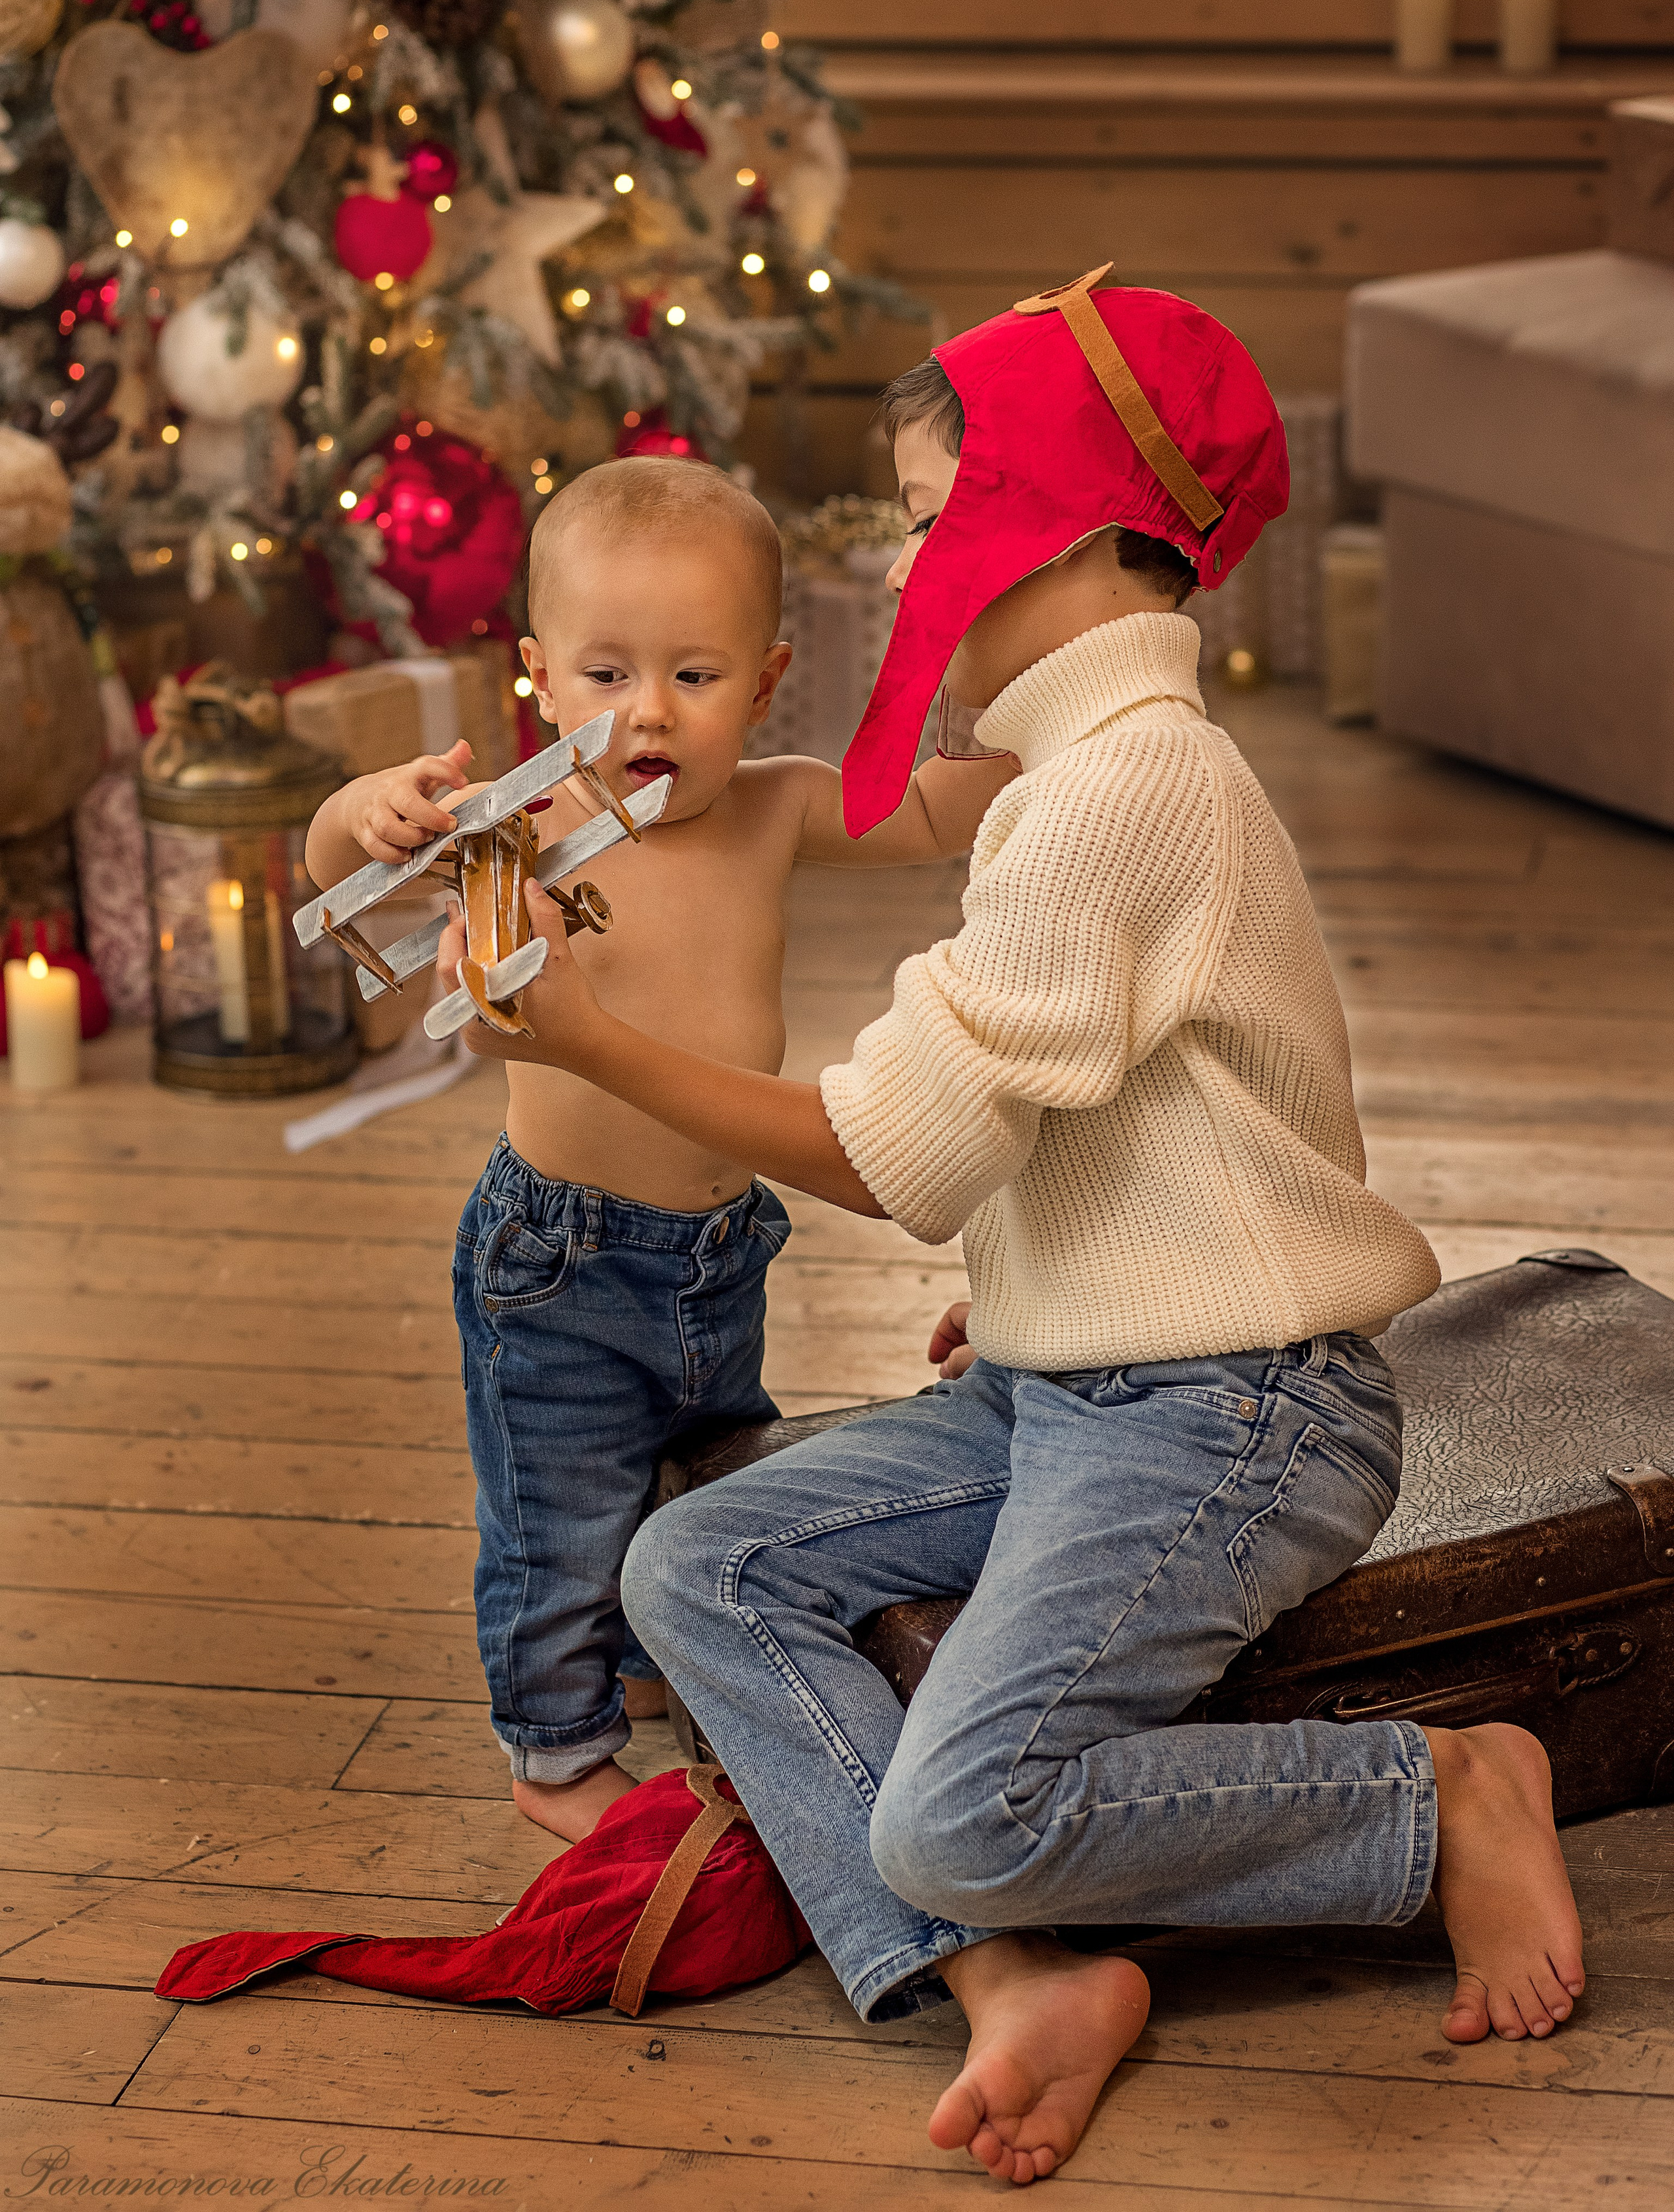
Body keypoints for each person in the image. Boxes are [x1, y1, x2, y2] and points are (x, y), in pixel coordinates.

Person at [436, 272, 1587, 2187]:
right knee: (696, 1566)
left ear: (1040, 521)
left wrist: (582, 1039)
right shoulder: (1082, 775)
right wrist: (1054, 1273)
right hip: (1085, 1377)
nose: (898, 575)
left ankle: (1439, 1789)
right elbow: (1110, 1117)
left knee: (961, 1806)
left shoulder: (1116, 795)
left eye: (915, 523)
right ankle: (1010, 1974)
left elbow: (894, 1154)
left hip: (1235, 1411)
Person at [304, 455, 1017, 1843]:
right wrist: (369, 807)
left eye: (694, 677)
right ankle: (553, 1749)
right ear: (539, 680)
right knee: (558, 1507)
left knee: (697, 1463)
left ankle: (642, 1665)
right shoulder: (523, 823)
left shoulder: (776, 804)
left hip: (717, 1242)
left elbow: (936, 812)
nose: (647, 714)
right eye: (606, 675)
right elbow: (344, 869)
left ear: (763, 681)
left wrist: (1060, 730)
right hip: (557, 1254)